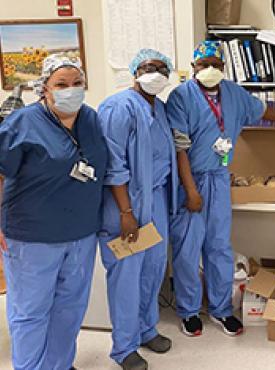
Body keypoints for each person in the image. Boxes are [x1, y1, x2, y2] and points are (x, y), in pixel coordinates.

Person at [167, 40, 275, 338]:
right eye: (203, 64)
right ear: (194, 67)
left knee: (220, 246)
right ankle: (189, 311)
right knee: (187, 249)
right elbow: (179, 148)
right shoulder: (181, 97)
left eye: (216, 65)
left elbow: (260, 110)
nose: (210, 70)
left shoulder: (233, 93)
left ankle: (221, 310)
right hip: (190, 179)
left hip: (220, 177)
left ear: (224, 67)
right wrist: (191, 191)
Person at [0, 54, 107, 370]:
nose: (70, 90)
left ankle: (58, 365)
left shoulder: (90, 118)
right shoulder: (21, 123)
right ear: (44, 88)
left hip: (81, 233)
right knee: (32, 311)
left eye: (77, 84)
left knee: (69, 308)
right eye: (61, 84)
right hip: (32, 236)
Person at [97, 49, 179, 370]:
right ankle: (124, 347)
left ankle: (147, 329)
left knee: (153, 267)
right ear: (135, 71)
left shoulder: (159, 108)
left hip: (155, 198)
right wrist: (126, 212)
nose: (155, 73)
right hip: (125, 202)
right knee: (126, 275)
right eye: (148, 67)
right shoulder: (118, 108)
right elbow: (112, 163)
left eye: (162, 69)